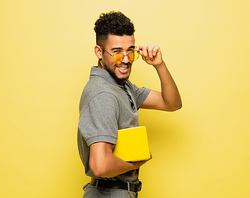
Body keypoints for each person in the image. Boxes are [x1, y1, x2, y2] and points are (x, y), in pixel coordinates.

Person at [77, 11, 182, 198]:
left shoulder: (122, 87)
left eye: (130, 51)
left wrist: (159, 64)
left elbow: (171, 103)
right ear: (99, 52)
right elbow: (100, 166)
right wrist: (136, 162)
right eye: (117, 52)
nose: (126, 60)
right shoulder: (103, 94)